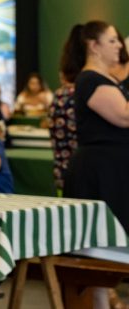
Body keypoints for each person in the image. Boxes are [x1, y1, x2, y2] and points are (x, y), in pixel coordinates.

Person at [60, 21, 129, 230]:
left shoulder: (106, 78)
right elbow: (124, 116)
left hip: (114, 166)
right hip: (102, 170)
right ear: (94, 46)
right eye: (112, 41)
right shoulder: (90, 79)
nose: (119, 45)